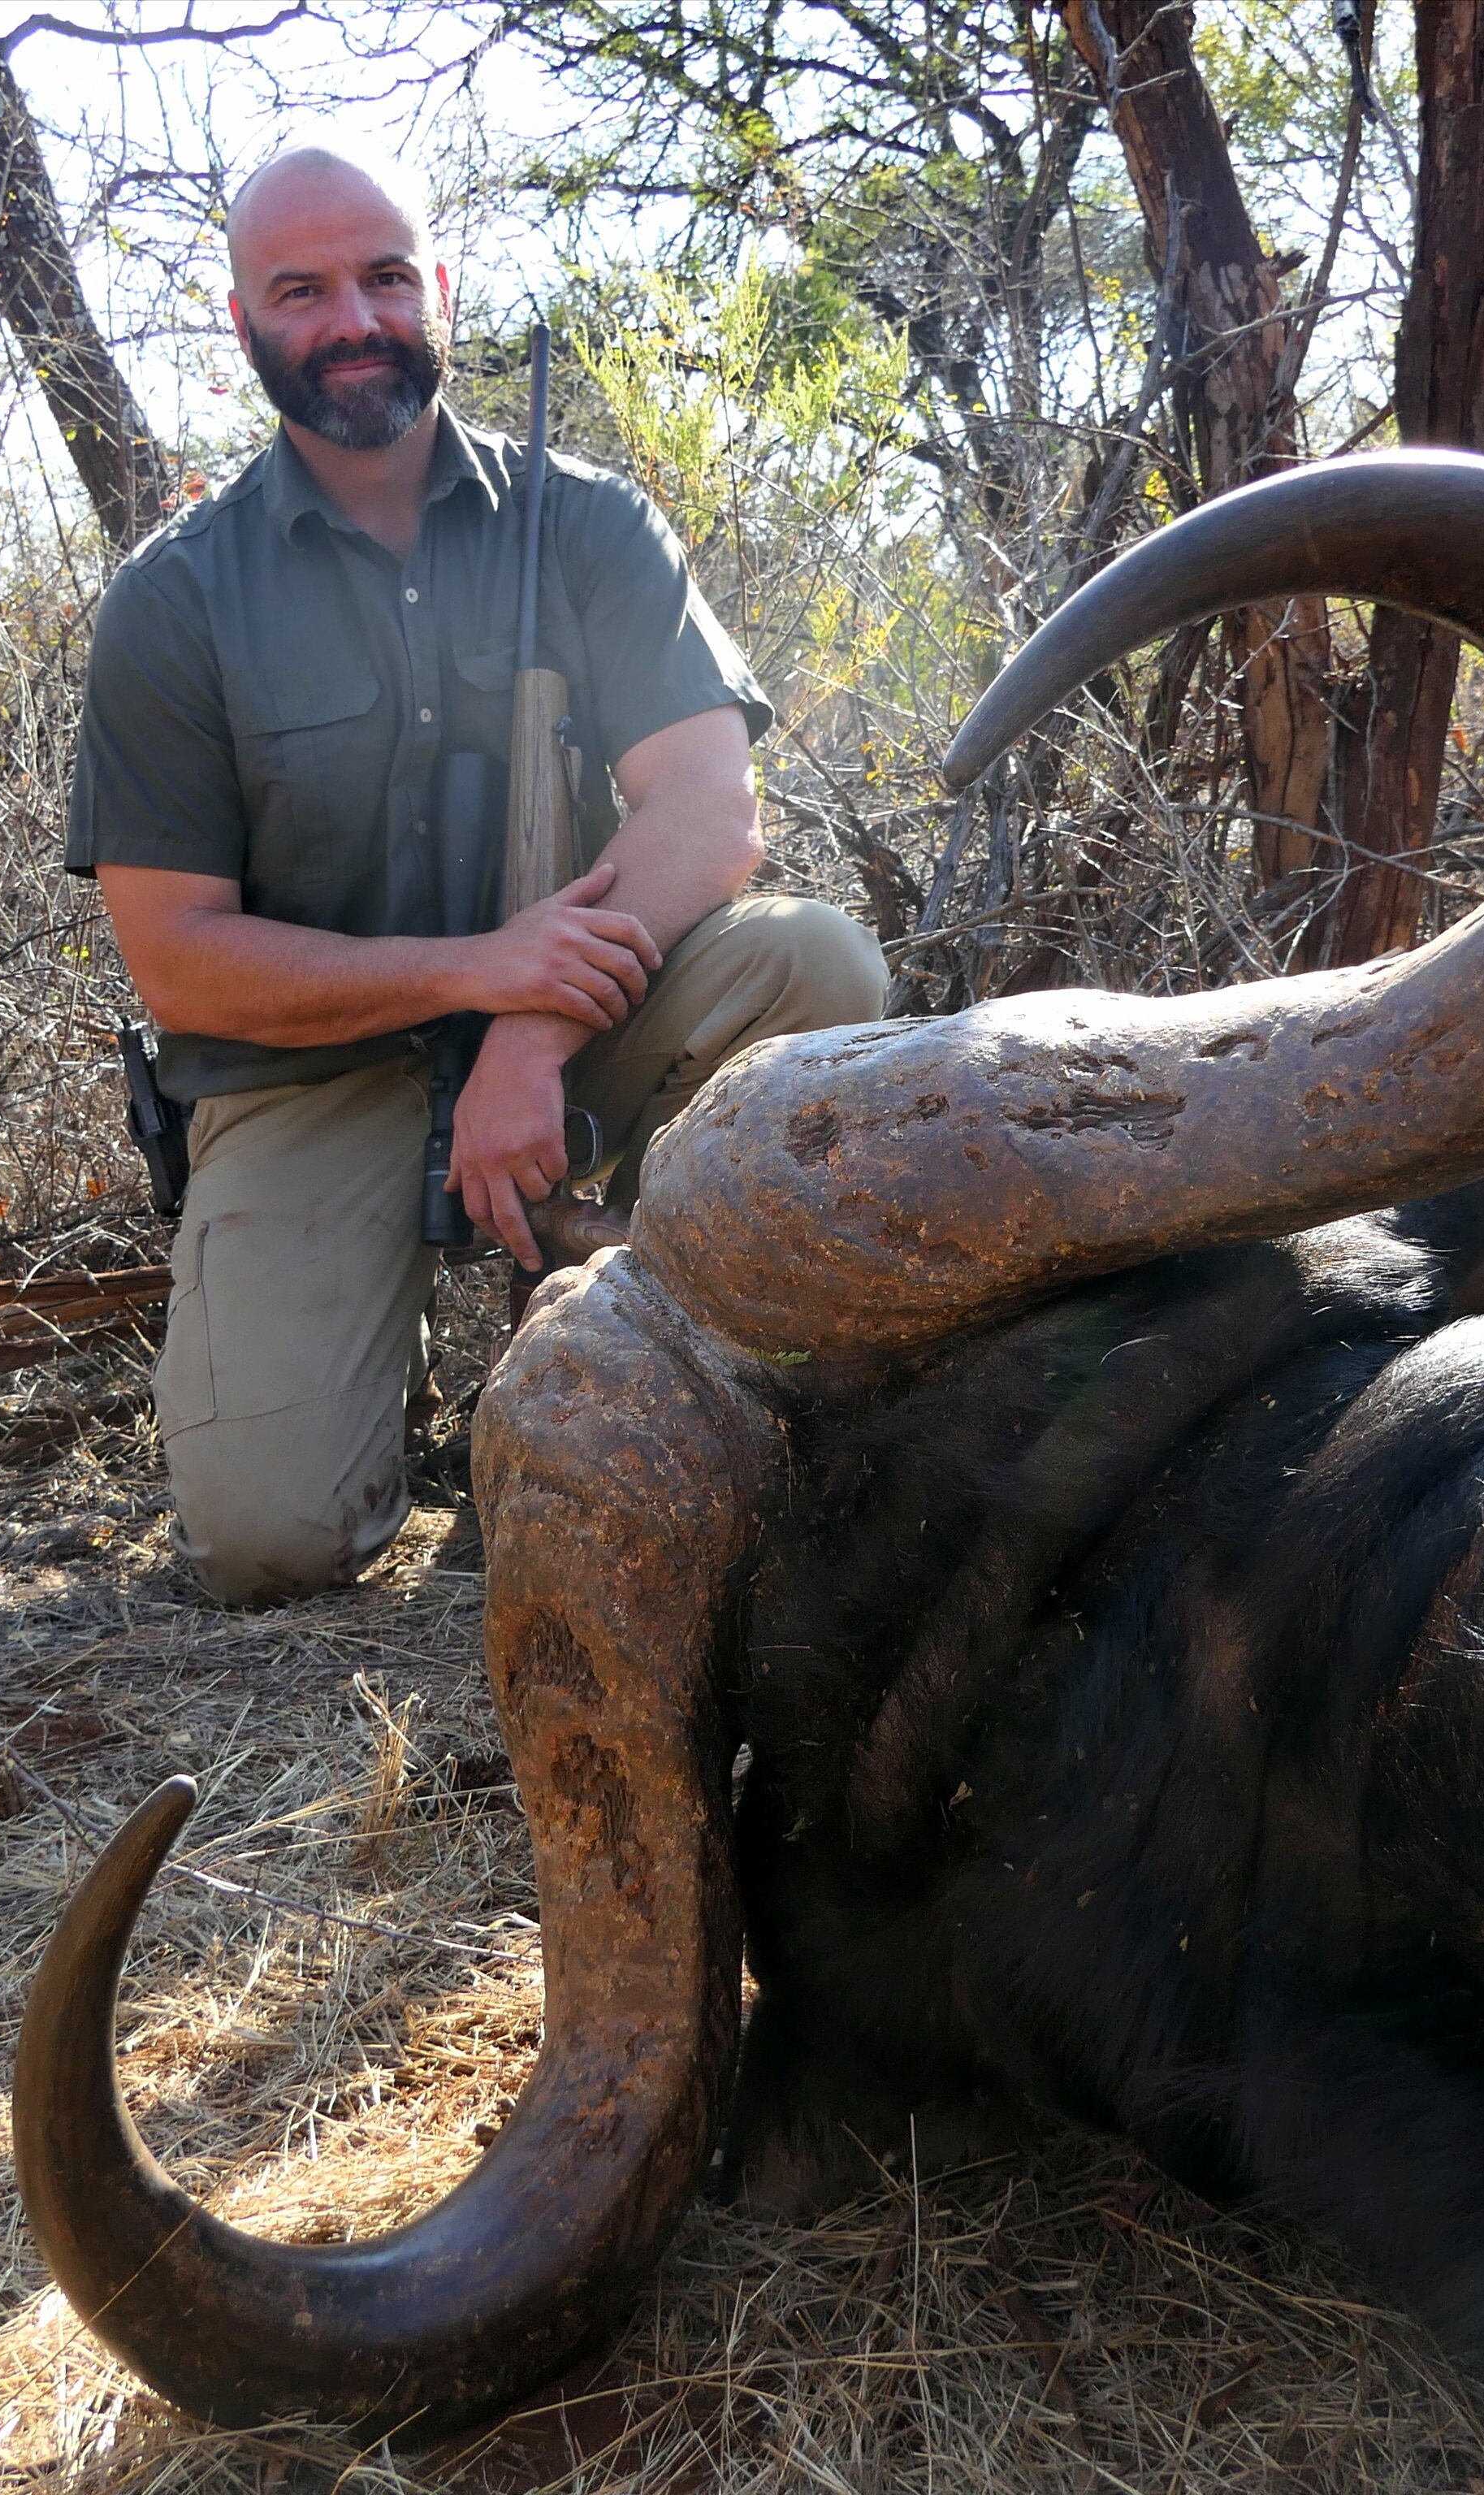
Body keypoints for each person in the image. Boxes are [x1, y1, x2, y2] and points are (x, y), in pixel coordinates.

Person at [67, 142, 887, 1606]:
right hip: (311, 1075)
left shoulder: (591, 519)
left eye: (386, 275)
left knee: (816, 962)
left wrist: (528, 1026)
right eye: (303, 290)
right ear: (246, 323)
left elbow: (709, 813)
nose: (355, 319)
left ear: (438, 285)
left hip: (577, 1023)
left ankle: (672, 1335)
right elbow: (180, 958)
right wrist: (470, 971)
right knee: (273, 1543)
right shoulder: (174, 598)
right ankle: (390, 1364)